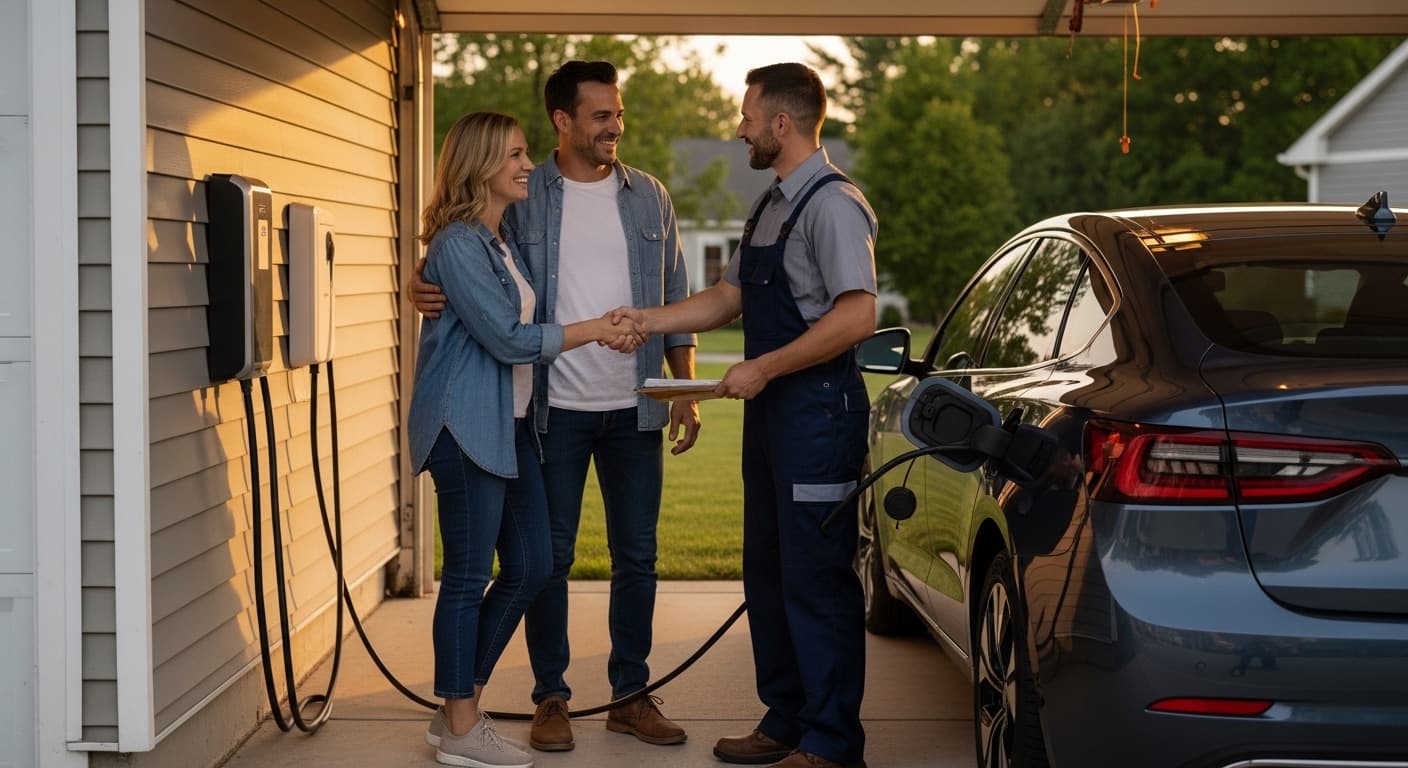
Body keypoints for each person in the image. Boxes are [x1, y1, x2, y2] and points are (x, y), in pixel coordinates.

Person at [409, 60, 698, 753]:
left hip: (634, 404)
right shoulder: (526, 195)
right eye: (601, 115)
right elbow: (461, 266)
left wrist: (684, 390)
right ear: (563, 121)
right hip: (546, 413)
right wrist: (421, 284)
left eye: (619, 114)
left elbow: (677, 291)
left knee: (634, 556)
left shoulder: (648, 196)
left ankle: (629, 694)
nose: (615, 127)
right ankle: (549, 698)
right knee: (546, 561)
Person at [611, 62, 878, 768]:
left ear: (781, 124)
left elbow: (857, 316)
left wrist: (763, 367)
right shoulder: (772, 204)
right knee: (768, 570)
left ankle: (830, 744)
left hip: (818, 417)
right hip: (774, 419)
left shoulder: (832, 203)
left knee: (818, 580)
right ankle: (786, 719)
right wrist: (649, 319)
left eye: (748, 116)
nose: (740, 129)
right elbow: (728, 297)